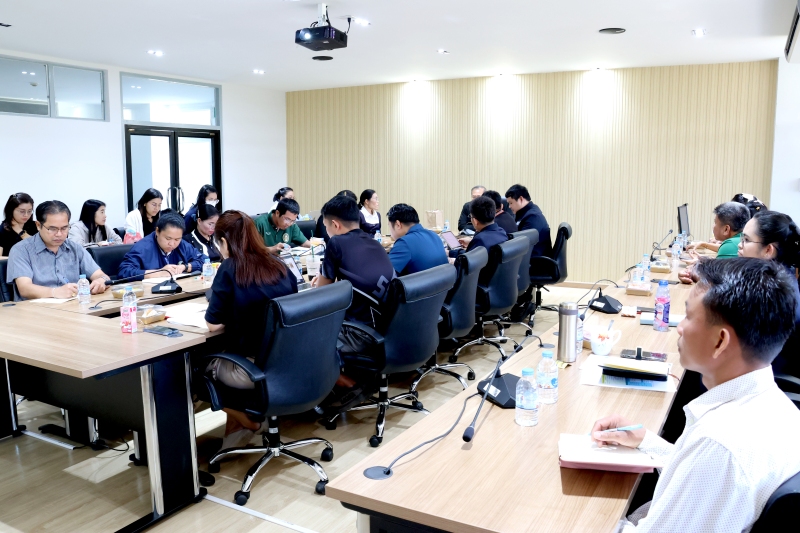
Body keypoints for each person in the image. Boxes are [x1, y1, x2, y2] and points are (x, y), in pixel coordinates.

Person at [591, 258, 800, 533]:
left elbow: (711, 469)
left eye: (688, 316)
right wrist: (646, 441)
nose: (679, 327)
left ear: (720, 341)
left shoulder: (720, 445)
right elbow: (702, 478)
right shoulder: (777, 409)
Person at [204, 210, 297, 449]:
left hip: (252, 369)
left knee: (193, 371)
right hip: (288, 362)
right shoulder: (278, 264)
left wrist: (234, 311)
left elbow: (213, 324)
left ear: (224, 242)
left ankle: (247, 421)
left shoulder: (229, 267)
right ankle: (237, 433)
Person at [312, 195, 395, 387]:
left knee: (306, 333)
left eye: (326, 226)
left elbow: (321, 293)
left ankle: (347, 385)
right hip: (389, 327)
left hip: (362, 333)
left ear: (335, 224)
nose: (327, 231)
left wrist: (321, 278)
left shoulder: (336, 243)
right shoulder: (374, 242)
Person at [6, 200, 111, 300]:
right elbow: (25, 289)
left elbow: (101, 275)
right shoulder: (21, 250)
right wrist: (54, 292)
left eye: (64, 228)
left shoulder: (75, 248)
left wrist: (101, 281)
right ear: (38, 225)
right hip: (35, 309)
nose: (59, 234)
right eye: (53, 229)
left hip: (72, 306)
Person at [678, 202, 750, 283]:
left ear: (726, 229)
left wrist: (693, 270)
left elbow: (715, 282)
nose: (713, 226)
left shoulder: (730, 245)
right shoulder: (742, 239)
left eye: (715, 223)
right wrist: (706, 261)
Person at [118, 212, 206, 279]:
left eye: (177, 239)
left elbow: (205, 261)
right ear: (157, 231)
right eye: (168, 238)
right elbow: (124, 272)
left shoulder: (182, 245)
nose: (172, 244)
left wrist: (185, 267)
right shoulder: (142, 248)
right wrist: (158, 273)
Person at [387, 203, 448, 276]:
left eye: (389, 226)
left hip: (422, 283)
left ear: (398, 224)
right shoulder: (434, 235)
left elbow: (384, 273)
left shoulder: (404, 243)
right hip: (444, 282)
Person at [505, 184, 551, 257]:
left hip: (535, 259)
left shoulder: (533, 217)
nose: (509, 206)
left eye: (511, 203)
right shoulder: (525, 213)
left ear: (521, 199)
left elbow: (523, 243)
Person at [0, 193, 37, 257]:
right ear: (11, 210)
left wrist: (20, 232)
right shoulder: (3, 229)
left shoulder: (34, 225)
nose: (26, 215)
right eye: (22, 211)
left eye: (29, 211)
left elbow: (38, 248)